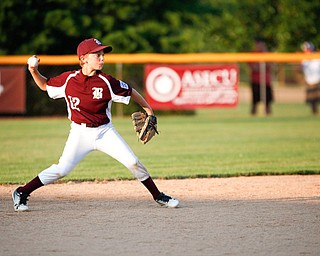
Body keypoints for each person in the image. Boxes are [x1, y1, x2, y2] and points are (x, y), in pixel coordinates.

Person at [12, 38, 179, 211]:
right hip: (79, 133)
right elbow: (45, 85)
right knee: (62, 170)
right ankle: (22, 192)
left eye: (102, 54)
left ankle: (158, 196)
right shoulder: (69, 79)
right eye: (97, 54)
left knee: (133, 162)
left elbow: (131, 92)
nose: (102, 58)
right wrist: (33, 70)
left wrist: (149, 111)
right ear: (83, 58)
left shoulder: (107, 82)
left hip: (105, 132)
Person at [248, 38, 274, 115]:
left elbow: (271, 65)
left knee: (267, 101)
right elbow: (253, 67)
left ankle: (268, 114)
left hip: (266, 81)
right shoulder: (252, 54)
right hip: (256, 80)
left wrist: (265, 55)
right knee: (255, 100)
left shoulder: (267, 54)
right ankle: (253, 114)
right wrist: (262, 66)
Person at [300, 41, 320, 115]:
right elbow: (300, 70)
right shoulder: (304, 58)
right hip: (309, 81)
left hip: (318, 81)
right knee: (312, 100)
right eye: (305, 49)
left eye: (308, 49)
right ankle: (314, 113)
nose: (306, 51)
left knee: (317, 99)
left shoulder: (317, 56)